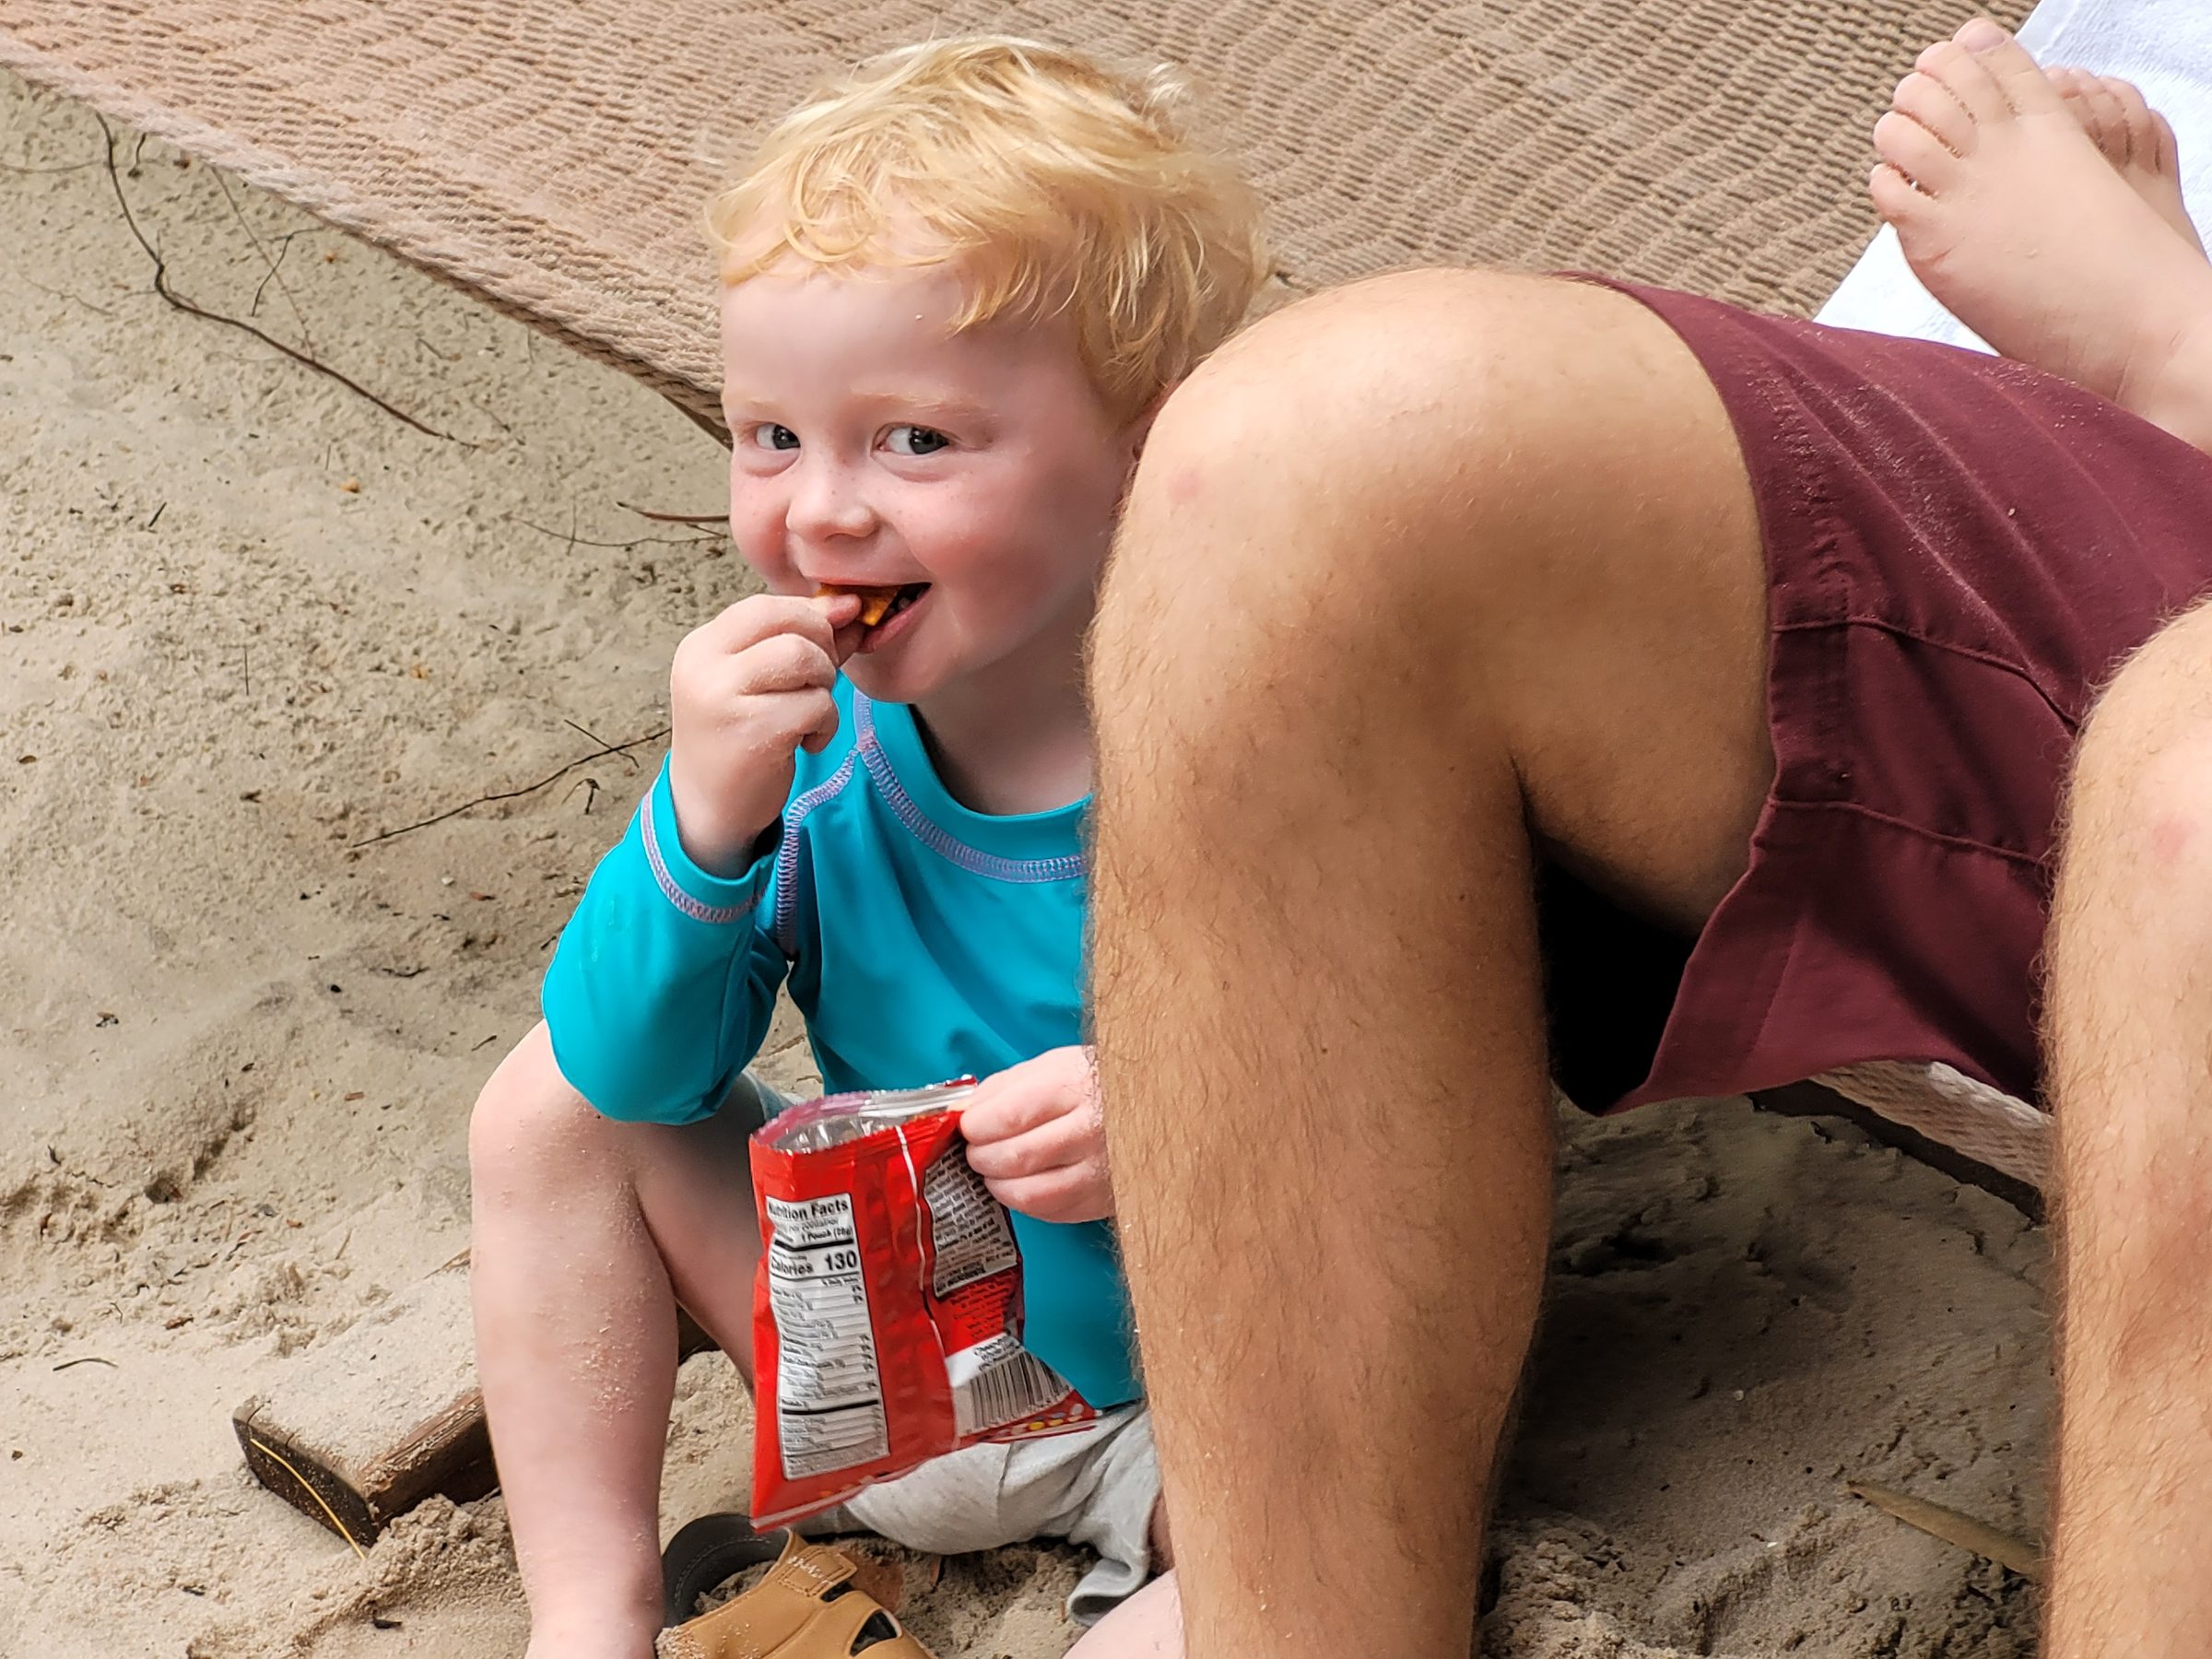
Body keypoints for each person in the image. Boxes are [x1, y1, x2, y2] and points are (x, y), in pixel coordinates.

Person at [1072, 18, 2212, 1659]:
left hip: (2152, 439)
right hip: (2058, 469)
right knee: (1306, 463)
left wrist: (2168, 343)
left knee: (2190, 758)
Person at [465, 38, 1268, 1658]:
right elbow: (634, 1069)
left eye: (914, 441)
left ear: (1147, 443)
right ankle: (591, 1617)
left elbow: (1423, 1090)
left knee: (1273, 1586)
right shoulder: (815, 758)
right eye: (768, 436)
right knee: (544, 1105)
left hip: (1183, 1426)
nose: (819, 513)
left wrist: (1180, 1121)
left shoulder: (1254, 750)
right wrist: (702, 822)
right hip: (871, 1378)